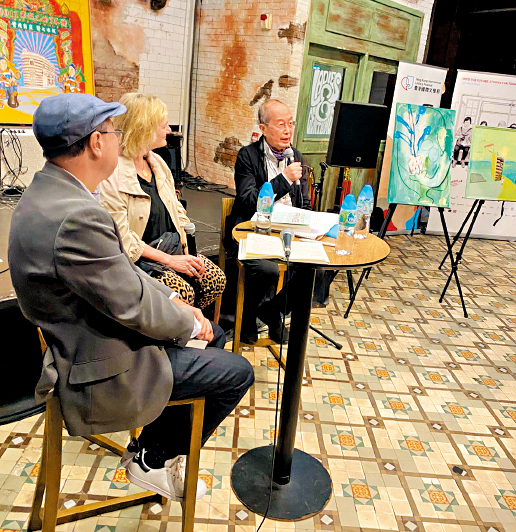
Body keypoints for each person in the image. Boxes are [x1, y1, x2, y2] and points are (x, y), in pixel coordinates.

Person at [8, 93, 253, 502]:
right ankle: (153, 458)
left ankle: (152, 446)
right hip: (96, 363)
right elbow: (132, 304)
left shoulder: (49, 193)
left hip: (87, 333)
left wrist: (176, 304)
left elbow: (123, 275)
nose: (119, 140)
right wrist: (190, 323)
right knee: (236, 371)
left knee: (213, 335)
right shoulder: (77, 215)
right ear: (96, 143)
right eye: (113, 133)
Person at [100, 93, 226, 309]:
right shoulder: (112, 174)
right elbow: (123, 241)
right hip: (138, 258)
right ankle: (179, 324)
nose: (169, 130)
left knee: (213, 279)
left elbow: (177, 209)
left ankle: (189, 321)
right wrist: (170, 261)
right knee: (182, 293)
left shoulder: (156, 162)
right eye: (164, 125)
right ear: (144, 129)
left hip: (169, 246)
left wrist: (186, 249)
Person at [226, 99, 311, 344]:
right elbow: (248, 200)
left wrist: (309, 225)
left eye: (290, 124)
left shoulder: (296, 156)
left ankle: (273, 309)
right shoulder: (247, 156)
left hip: (288, 230)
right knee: (267, 269)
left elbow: (304, 201)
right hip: (254, 230)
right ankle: (248, 315)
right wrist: (283, 179)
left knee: (318, 266)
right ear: (263, 128)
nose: (288, 130)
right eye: (281, 124)